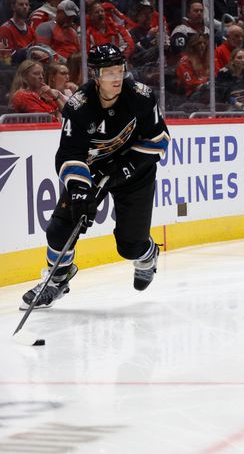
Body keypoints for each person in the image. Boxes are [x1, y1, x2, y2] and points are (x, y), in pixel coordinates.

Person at [21, 44, 170, 309]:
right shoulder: (79, 107)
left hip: (135, 172)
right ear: (95, 75)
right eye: (108, 72)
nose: (116, 77)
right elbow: (68, 154)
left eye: (119, 70)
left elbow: (159, 141)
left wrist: (122, 169)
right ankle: (57, 279)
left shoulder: (141, 96)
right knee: (59, 229)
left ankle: (147, 256)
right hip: (92, 170)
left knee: (129, 246)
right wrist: (79, 190)